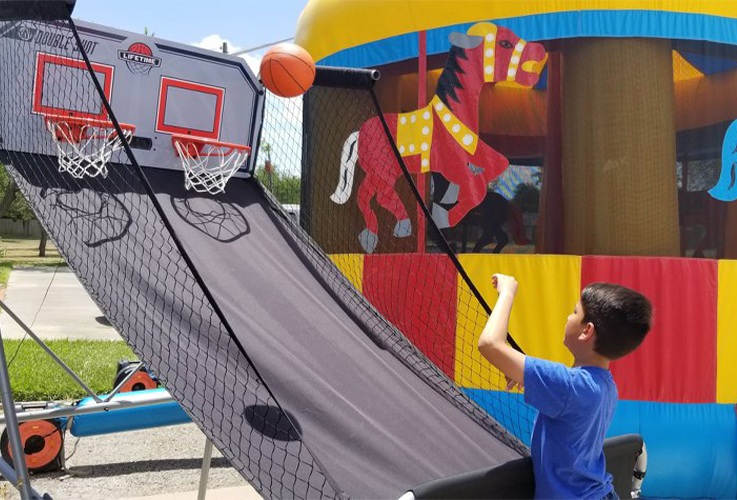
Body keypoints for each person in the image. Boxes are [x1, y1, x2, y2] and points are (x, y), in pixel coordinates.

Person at [478, 274, 652, 499]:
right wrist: (529, 378)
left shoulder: (569, 387)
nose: (568, 317)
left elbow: (490, 344)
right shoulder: (605, 385)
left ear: (586, 331)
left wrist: (507, 292)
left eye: (574, 312)